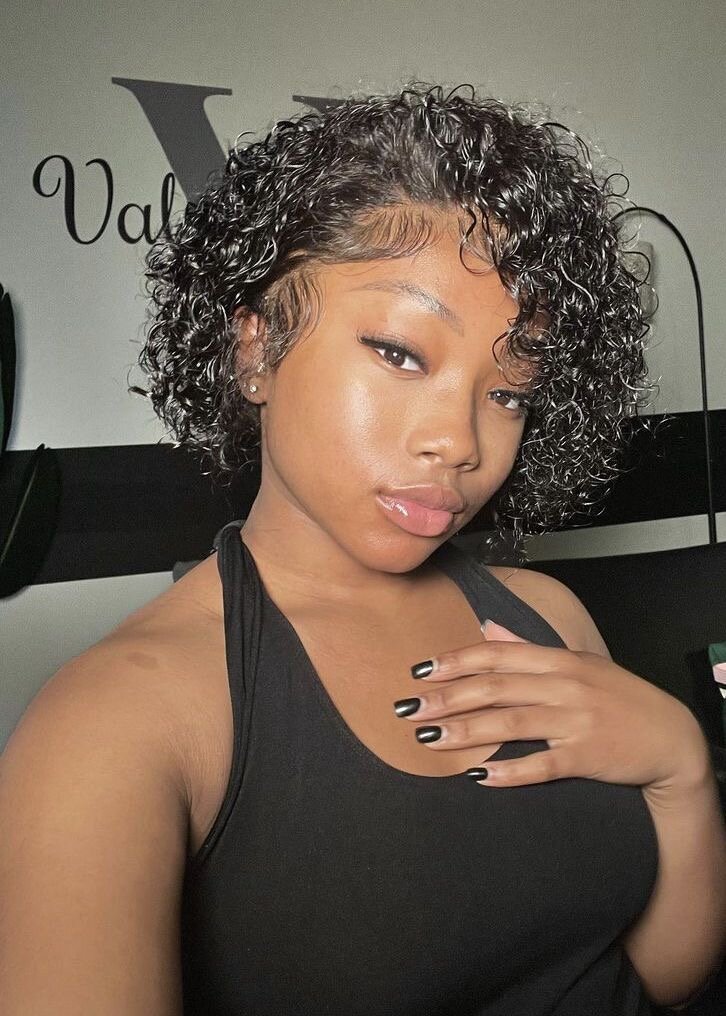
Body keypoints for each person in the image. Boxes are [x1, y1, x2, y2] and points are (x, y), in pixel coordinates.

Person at [1, 83, 724, 1016]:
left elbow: (644, 981)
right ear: (256, 350)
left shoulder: (546, 618)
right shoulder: (117, 724)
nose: (459, 441)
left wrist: (681, 769)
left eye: (508, 393)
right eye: (400, 353)